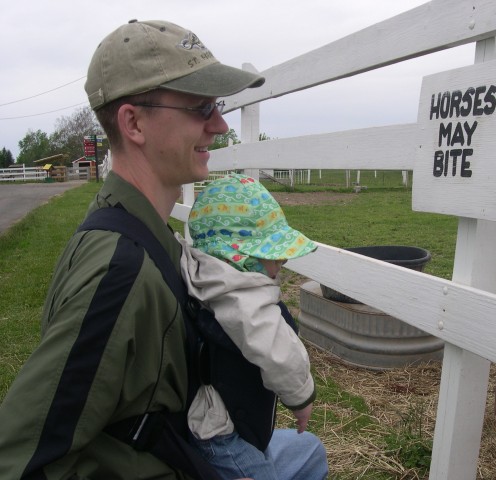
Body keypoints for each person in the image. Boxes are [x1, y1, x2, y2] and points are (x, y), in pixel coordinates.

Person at [0, 19, 326, 480]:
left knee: (308, 451)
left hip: (187, 447)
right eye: (201, 107)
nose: (219, 125)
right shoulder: (120, 272)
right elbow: (22, 459)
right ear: (134, 123)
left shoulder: (144, 229)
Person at [178, 173, 325, 480]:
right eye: (275, 259)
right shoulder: (244, 299)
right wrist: (301, 399)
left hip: (221, 423)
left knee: (312, 451)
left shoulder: (206, 273)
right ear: (244, 259)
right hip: (221, 439)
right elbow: (281, 355)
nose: (280, 265)